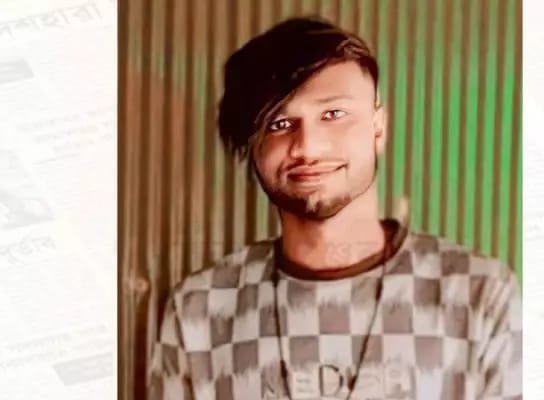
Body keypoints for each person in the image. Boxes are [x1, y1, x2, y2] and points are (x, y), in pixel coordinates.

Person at [148, 16, 521, 400]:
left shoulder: (479, 296)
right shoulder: (200, 310)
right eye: (279, 123)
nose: (308, 147)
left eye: (333, 114)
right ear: (253, 146)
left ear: (378, 128)